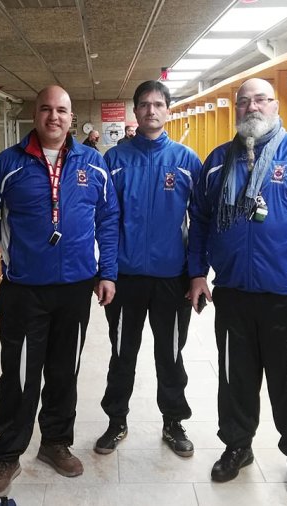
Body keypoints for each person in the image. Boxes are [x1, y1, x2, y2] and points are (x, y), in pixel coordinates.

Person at [186, 78, 287, 498]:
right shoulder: (220, 160)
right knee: (234, 378)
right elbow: (200, 220)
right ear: (235, 109)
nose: (251, 107)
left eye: (260, 99)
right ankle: (237, 447)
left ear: (276, 105)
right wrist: (198, 273)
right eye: (244, 102)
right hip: (235, 294)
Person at [0, 85, 119, 499]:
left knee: (63, 370)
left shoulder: (94, 164)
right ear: (36, 114)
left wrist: (107, 272)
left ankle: (55, 442)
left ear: (72, 118)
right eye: (47, 109)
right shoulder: (8, 163)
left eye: (63, 110)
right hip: (23, 289)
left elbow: (108, 220)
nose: (55, 117)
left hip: (74, 288)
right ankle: (8, 452)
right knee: (18, 375)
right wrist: (18, 247)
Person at [94, 80, 202, 458]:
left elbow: (199, 223)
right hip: (126, 278)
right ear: (135, 112)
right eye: (144, 105)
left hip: (172, 280)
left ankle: (173, 422)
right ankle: (116, 420)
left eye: (158, 104)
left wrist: (197, 274)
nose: (151, 111)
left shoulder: (188, 162)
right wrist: (106, 272)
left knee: (170, 355)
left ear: (168, 110)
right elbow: (106, 223)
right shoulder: (116, 160)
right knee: (122, 353)